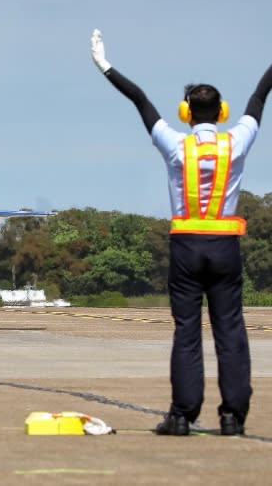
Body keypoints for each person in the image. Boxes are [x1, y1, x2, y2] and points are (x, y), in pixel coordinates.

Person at [90, 28, 272, 436]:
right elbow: (261, 96)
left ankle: (183, 415)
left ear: (186, 113)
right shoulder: (236, 143)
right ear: (222, 111)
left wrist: (105, 65)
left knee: (187, 331)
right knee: (230, 330)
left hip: (186, 247)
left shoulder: (175, 143)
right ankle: (232, 417)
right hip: (225, 247)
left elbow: (139, 99)